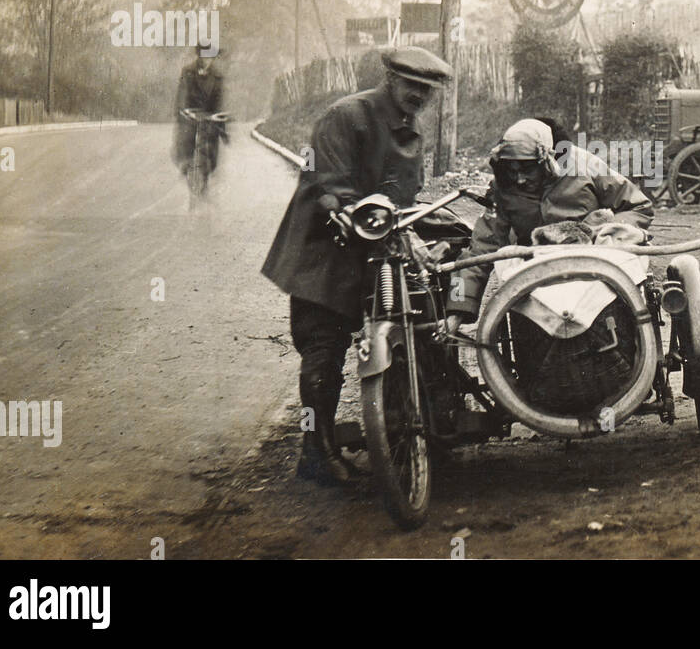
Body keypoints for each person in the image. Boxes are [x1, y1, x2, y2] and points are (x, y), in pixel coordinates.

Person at [261, 46, 452, 485]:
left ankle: (419, 431)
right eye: (412, 85)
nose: (419, 95)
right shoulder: (346, 116)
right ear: (391, 78)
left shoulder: (410, 128)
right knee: (322, 351)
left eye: (427, 89)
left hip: (378, 243)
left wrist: (415, 229)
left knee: (419, 321)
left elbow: (402, 195)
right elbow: (327, 184)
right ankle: (316, 452)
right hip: (324, 249)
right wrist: (349, 211)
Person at [443, 117, 654, 337]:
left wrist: (604, 231)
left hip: (594, 269)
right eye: (512, 171)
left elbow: (639, 206)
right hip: (536, 278)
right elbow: (479, 249)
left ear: (546, 161)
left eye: (527, 170)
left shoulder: (587, 167)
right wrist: (457, 309)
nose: (520, 179)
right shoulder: (502, 188)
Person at [172, 44, 226, 178]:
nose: (208, 60)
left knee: (212, 139)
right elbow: (182, 93)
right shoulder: (188, 71)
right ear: (200, 56)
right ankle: (185, 165)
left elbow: (218, 100)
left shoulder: (217, 76)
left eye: (211, 57)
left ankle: (210, 167)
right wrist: (183, 110)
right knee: (185, 138)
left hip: (209, 114)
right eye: (205, 57)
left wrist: (219, 117)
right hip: (190, 112)